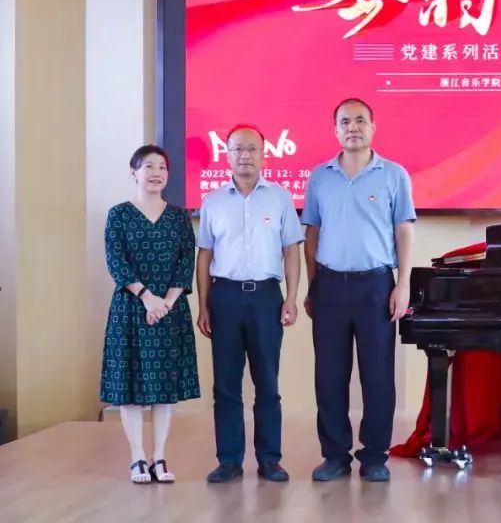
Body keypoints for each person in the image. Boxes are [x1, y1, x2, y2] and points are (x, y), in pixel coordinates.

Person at [303, 98, 416, 482]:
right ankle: (335, 455)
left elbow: (404, 230)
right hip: (330, 286)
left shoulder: (394, 174)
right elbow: (312, 233)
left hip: (376, 286)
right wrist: (313, 285)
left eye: (360, 120)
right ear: (335, 130)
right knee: (329, 375)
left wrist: (403, 284)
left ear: (372, 127)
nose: (353, 127)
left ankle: (374, 456)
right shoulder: (320, 177)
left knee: (378, 375)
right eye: (345, 121)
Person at [196, 125, 304, 483]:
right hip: (224, 297)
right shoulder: (213, 201)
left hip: (266, 297)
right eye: (238, 149)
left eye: (252, 149)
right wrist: (204, 305)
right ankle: (228, 460)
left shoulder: (280, 198)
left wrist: (291, 297)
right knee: (226, 385)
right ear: (227, 154)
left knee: (267, 383)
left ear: (264, 155)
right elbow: (204, 256)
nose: (245, 155)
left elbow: (291, 250)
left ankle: (270, 459)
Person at [100, 144, 199, 484]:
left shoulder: (179, 217)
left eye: (162, 167)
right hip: (131, 308)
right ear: (134, 172)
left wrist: (165, 303)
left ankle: (159, 457)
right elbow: (116, 261)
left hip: (169, 311)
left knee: (165, 388)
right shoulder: (118, 214)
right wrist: (146, 297)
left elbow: (186, 263)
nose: (156, 173)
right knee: (129, 386)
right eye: (148, 166)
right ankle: (137, 458)